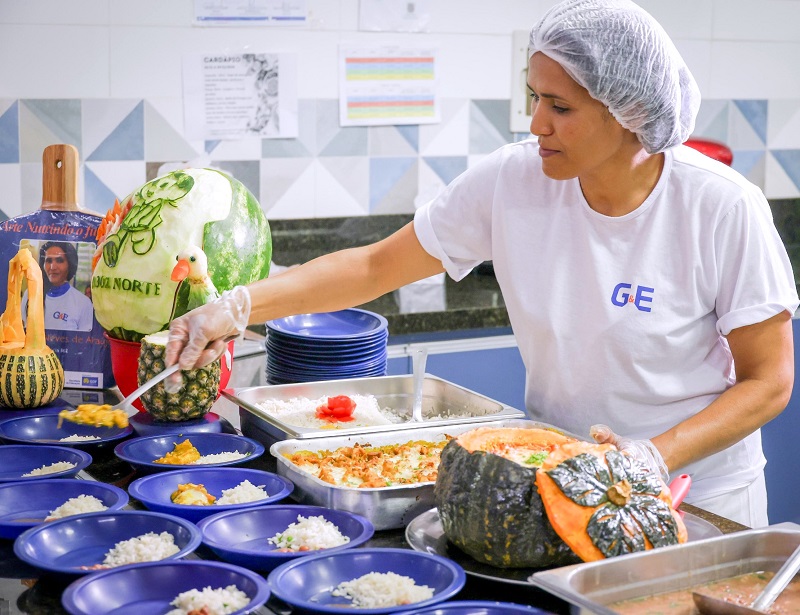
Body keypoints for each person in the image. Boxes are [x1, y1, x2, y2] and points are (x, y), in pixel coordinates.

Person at [165, 0, 798, 527]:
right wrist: (236, 305)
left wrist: (653, 457)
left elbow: (768, 380)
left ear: (629, 112)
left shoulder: (719, 207)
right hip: (556, 484)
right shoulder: (514, 180)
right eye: (534, 97)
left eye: (561, 107)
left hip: (696, 497)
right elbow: (373, 268)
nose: (535, 122)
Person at [22, 241, 94, 332]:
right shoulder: (30, 294)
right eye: (48, 260)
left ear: (70, 265)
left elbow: (85, 342)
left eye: (59, 261)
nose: (53, 267)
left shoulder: (84, 303)